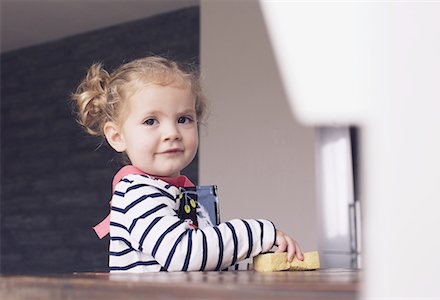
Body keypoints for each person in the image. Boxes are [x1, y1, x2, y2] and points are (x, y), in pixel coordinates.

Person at [72, 56, 303, 272]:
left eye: (184, 119)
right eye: (151, 121)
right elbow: (182, 254)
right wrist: (258, 233)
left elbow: (204, 261)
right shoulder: (136, 193)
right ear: (117, 137)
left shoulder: (180, 194)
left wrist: (253, 262)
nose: (172, 133)